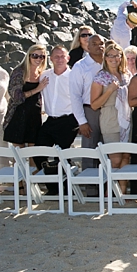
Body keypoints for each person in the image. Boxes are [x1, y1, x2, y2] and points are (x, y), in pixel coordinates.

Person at [35, 46, 79, 187]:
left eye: (62, 56)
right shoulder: (44, 76)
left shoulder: (74, 76)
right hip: (50, 120)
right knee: (38, 152)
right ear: (51, 58)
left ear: (68, 58)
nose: (59, 59)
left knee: (62, 155)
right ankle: (52, 186)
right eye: (56, 56)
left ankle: (66, 187)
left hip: (69, 120)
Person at [91, 42, 132, 191]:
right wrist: (109, 91)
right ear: (105, 57)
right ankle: (109, 192)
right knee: (115, 159)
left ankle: (122, 193)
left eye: (117, 55)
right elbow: (94, 105)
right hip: (110, 119)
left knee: (126, 157)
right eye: (110, 55)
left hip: (127, 118)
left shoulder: (126, 75)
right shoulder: (100, 77)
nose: (114, 59)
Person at [3, 44, 48, 147]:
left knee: (34, 151)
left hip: (35, 115)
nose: (38, 59)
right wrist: (37, 89)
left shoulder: (41, 74)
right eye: (35, 56)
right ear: (29, 56)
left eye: (42, 56)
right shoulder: (19, 72)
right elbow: (16, 97)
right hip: (18, 114)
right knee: (19, 153)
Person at [70, 34, 104, 157]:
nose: (99, 47)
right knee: (90, 151)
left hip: (109, 110)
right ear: (88, 47)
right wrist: (81, 121)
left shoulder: (110, 63)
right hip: (90, 111)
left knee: (108, 150)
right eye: (94, 44)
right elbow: (75, 95)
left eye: (101, 44)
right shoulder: (80, 66)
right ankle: (89, 176)